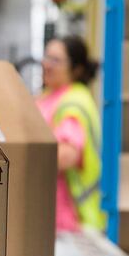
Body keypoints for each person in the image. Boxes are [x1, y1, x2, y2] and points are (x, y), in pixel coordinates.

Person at [36, 35, 105, 233]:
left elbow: (66, 156)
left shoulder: (74, 101)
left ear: (76, 69)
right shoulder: (48, 97)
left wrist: (22, 158)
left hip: (72, 219)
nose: (46, 64)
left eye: (55, 60)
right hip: (50, 216)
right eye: (46, 57)